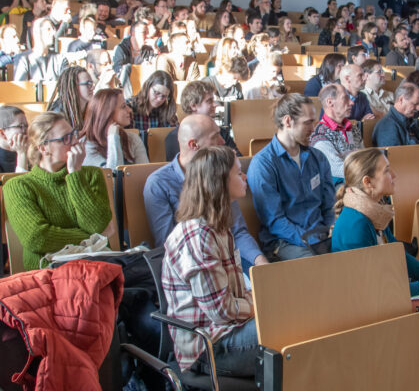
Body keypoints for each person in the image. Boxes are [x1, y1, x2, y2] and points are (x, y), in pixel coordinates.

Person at [161, 145, 260, 377]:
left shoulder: (218, 226)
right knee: (287, 328)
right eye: (238, 173)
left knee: (290, 320)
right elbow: (222, 311)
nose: (245, 177)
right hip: (207, 346)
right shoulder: (199, 235)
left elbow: (235, 295)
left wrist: (260, 303)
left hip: (227, 329)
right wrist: (260, 307)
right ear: (220, 182)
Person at [145, 114, 266, 268]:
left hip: (228, 257)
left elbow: (238, 231)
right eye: (215, 136)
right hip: (194, 264)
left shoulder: (220, 173)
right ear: (194, 144)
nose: (223, 141)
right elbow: (168, 246)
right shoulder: (158, 184)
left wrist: (260, 262)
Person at [3, 112, 114, 271]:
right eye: (66, 138)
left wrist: (75, 173)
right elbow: (37, 238)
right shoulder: (18, 186)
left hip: (97, 266)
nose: (75, 141)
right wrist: (90, 238)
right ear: (43, 148)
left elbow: (96, 225)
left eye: (74, 134)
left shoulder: (91, 175)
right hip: (50, 272)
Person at [247, 94, 336, 260]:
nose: (313, 129)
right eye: (308, 123)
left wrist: (333, 231)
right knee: (317, 264)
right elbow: (275, 222)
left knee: (356, 250)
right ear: (288, 121)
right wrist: (313, 240)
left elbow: (329, 206)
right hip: (285, 241)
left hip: (320, 235)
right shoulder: (263, 164)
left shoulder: (318, 158)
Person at [331, 148, 419, 296]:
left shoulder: (375, 212)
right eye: (387, 170)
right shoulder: (355, 225)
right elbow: (370, 288)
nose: (394, 175)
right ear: (368, 182)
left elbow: (398, 255)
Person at [163, 80, 237, 161]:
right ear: (193, 106)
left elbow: (237, 159)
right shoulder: (174, 138)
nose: (215, 104)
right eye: (209, 101)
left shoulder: (222, 133)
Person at [80, 88, 149, 168]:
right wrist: (113, 137)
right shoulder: (85, 145)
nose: (129, 110)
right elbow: (113, 174)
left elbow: (145, 173)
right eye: (123, 106)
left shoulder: (133, 139)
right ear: (107, 113)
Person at [309, 83, 365, 181]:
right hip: (336, 185)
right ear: (330, 102)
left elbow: (364, 157)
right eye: (345, 98)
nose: (351, 102)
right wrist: (369, 171)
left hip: (359, 178)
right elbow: (338, 169)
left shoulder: (352, 128)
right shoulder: (320, 135)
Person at [372, 82, 419, 147]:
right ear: (401, 100)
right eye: (415, 104)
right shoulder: (387, 126)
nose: (418, 108)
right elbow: (393, 153)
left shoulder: (410, 121)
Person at [14, 18, 65, 83]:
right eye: (48, 29)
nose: (53, 33)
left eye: (53, 29)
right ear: (37, 33)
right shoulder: (22, 59)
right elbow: (21, 87)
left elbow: (66, 85)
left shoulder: (60, 59)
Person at [46, 66, 94, 132]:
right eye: (88, 84)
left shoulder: (90, 107)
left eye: (92, 83)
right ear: (74, 86)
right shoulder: (58, 114)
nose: (93, 87)